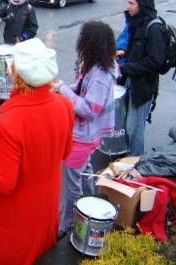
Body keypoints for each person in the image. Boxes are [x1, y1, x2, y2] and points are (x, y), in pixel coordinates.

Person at [0, 38, 74, 265]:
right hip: (45, 211)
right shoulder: (64, 106)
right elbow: (65, 152)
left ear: (17, 74)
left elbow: (1, 182)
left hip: (13, 223)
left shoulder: (9, 122)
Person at [54, 21, 117, 237]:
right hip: (87, 135)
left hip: (84, 135)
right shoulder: (94, 67)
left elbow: (90, 109)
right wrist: (62, 89)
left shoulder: (99, 76)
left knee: (71, 183)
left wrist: (63, 90)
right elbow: (81, 89)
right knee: (86, 169)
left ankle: (66, 224)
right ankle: (92, 200)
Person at [120, 0, 167, 156]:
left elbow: (155, 61)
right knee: (129, 125)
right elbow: (138, 50)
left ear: (142, 5)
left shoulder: (154, 29)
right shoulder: (138, 23)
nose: (128, 7)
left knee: (135, 128)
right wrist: (123, 53)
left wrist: (125, 67)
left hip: (144, 87)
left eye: (131, 3)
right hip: (133, 82)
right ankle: (128, 161)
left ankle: (134, 165)